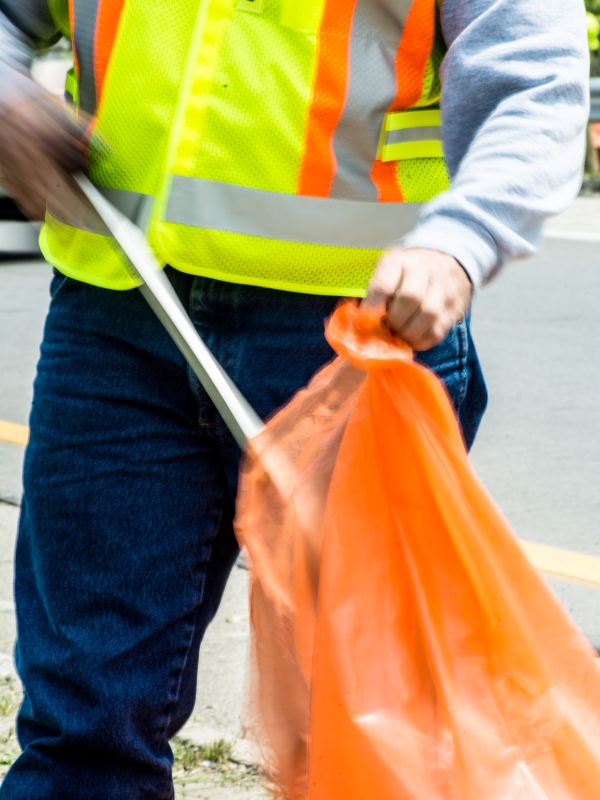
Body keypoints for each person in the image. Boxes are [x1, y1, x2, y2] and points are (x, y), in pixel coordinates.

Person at [0, 0, 588, 796]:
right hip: (121, 310)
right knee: (84, 727)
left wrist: (461, 239)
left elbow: (532, 80)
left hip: (358, 342)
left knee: (372, 736)